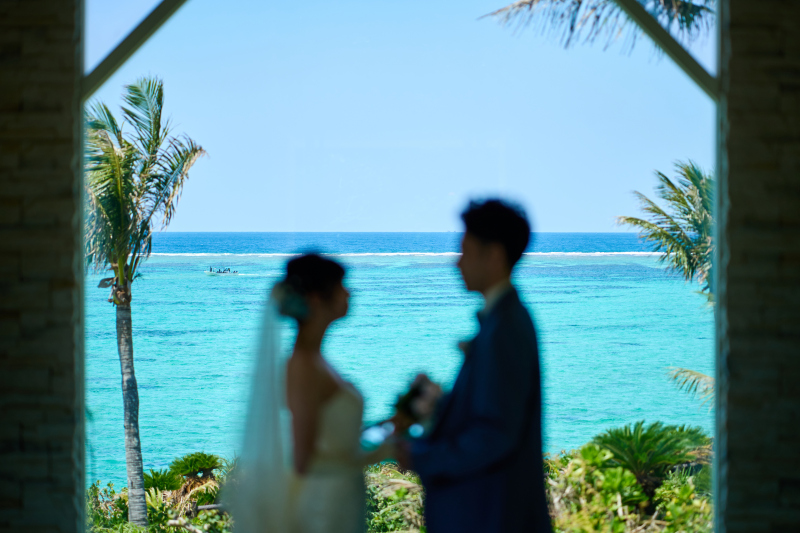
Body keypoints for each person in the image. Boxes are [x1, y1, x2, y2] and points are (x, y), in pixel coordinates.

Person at [398, 199, 552, 533]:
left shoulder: (504, 329)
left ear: (493, 255)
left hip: (492, 518)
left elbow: (494, 434)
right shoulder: (502, 320)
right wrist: (441, 405)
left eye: (465, 251)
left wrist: (418, 456)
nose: (457, 262)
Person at [232, 254, 394, 533]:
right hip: (323, 507)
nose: (349, 293)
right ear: (317, 299)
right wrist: (381, 452)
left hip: (339, 497)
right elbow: (303, 460)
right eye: (342, 286)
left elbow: (331, 436)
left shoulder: (314, 360)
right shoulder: (303, 366)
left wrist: (389, 425)